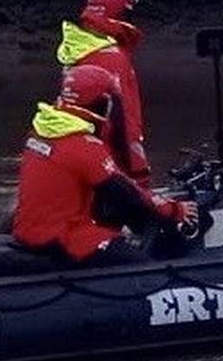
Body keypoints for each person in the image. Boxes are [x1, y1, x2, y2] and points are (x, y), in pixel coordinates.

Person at [12, 65, 197, 265]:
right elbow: (126, 193)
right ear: (102, 103)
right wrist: (174, 210)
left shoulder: (42, 131)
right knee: (142, 265)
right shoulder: (83, 145)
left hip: (30, 231)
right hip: (64, 237)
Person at [57, 0, 152, 186]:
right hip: (110, 161)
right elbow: (122, 119)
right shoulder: (112, 57)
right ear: (120, 14)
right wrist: (138, 174)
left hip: (82, 156)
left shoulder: (79, 50)